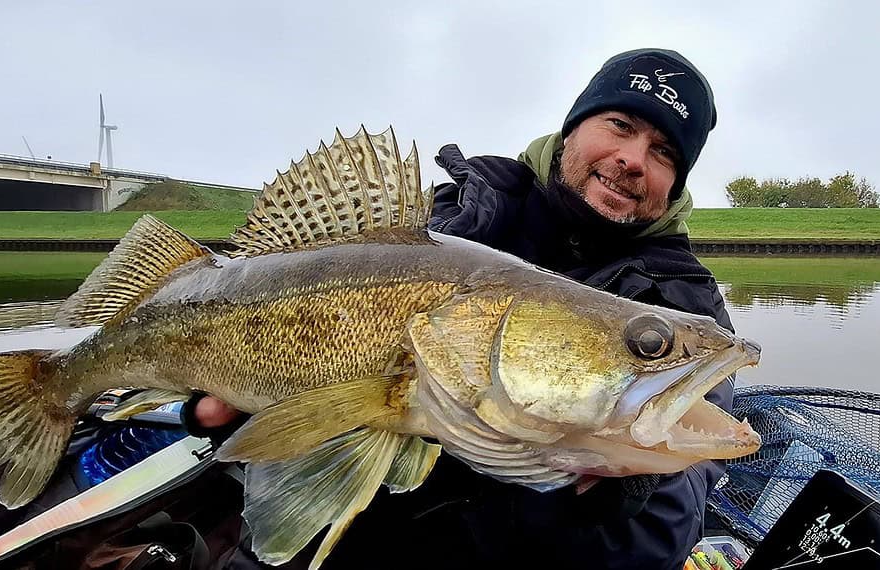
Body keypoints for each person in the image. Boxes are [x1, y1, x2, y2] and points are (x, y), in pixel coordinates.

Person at [188, 48, 733, 569]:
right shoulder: (445, 217)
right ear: (573, 129)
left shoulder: (683, 301)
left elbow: (660, 538)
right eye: (619, 125)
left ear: (678, 181)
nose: (633, 159)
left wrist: (617, 496)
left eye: (664, 152)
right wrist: (197, 407)